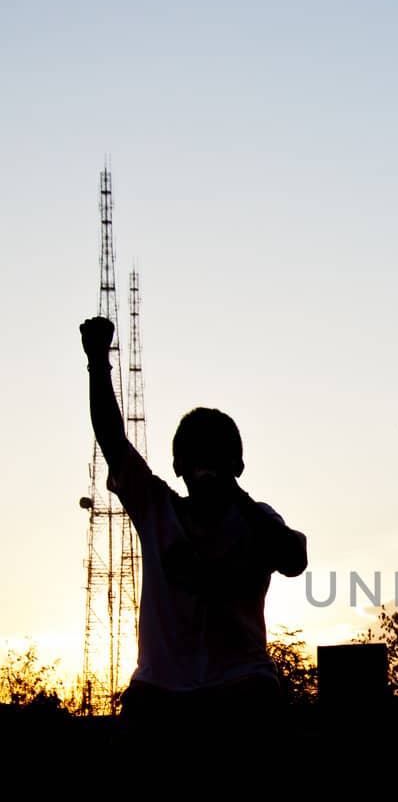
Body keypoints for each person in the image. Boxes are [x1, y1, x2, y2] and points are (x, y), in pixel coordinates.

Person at [80, 315, 307, 740]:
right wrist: (98, 361)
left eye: (218, 455)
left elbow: (294, 559)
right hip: (161, 691)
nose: (207, 463)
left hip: (242, 687)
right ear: (178, 466)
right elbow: (113, 440)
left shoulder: (257, 518)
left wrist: (233, 492)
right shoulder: (157, 509)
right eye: (196, 453)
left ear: (237, 466)